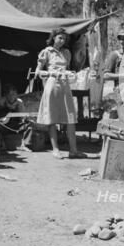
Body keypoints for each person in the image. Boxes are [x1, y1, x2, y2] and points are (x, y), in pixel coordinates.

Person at [35, 28, 85, 159]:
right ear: (54, 38)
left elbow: (67, 69)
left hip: (65, 86)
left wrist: (70, 74)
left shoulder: (67, 53)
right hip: (52, 85)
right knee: (52, 118)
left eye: (64, 39)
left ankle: (73, 150)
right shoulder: (46, 52)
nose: (62, 41)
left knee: (70, 118)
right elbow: (38, 72)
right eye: (60, 38)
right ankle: (55, 149)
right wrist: (52, 73)